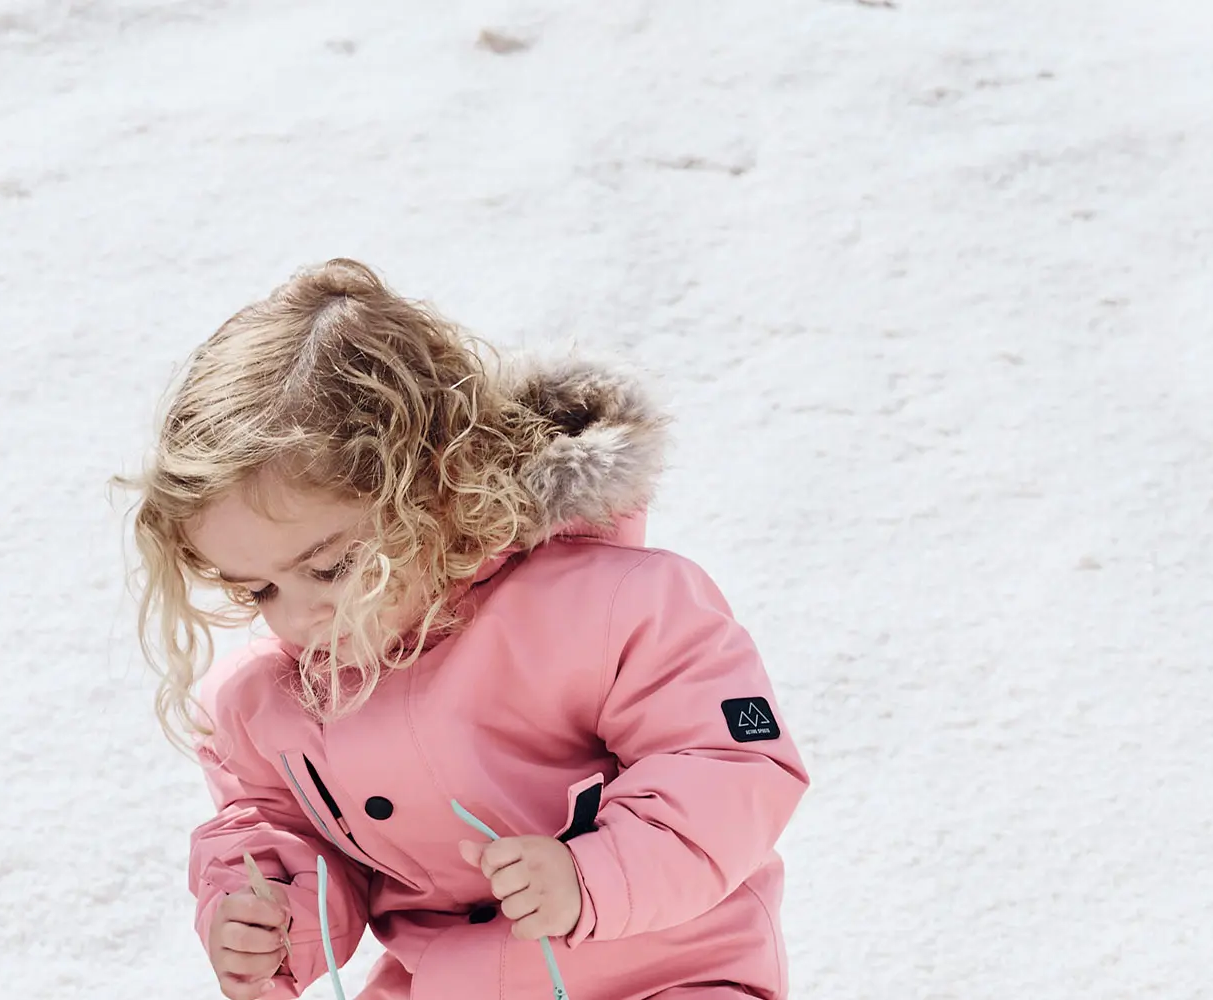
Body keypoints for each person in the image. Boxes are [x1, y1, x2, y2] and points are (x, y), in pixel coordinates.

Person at [131, 260, 810, 1000]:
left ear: (435, 489)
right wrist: (273, 916)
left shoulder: (612, 609)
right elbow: (278, 828)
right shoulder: (274, 705)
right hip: (445, 983)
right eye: (259, 588)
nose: (298, 618)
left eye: (330, 568)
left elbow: (727, 763)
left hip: (666, 970)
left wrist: (593, 875)